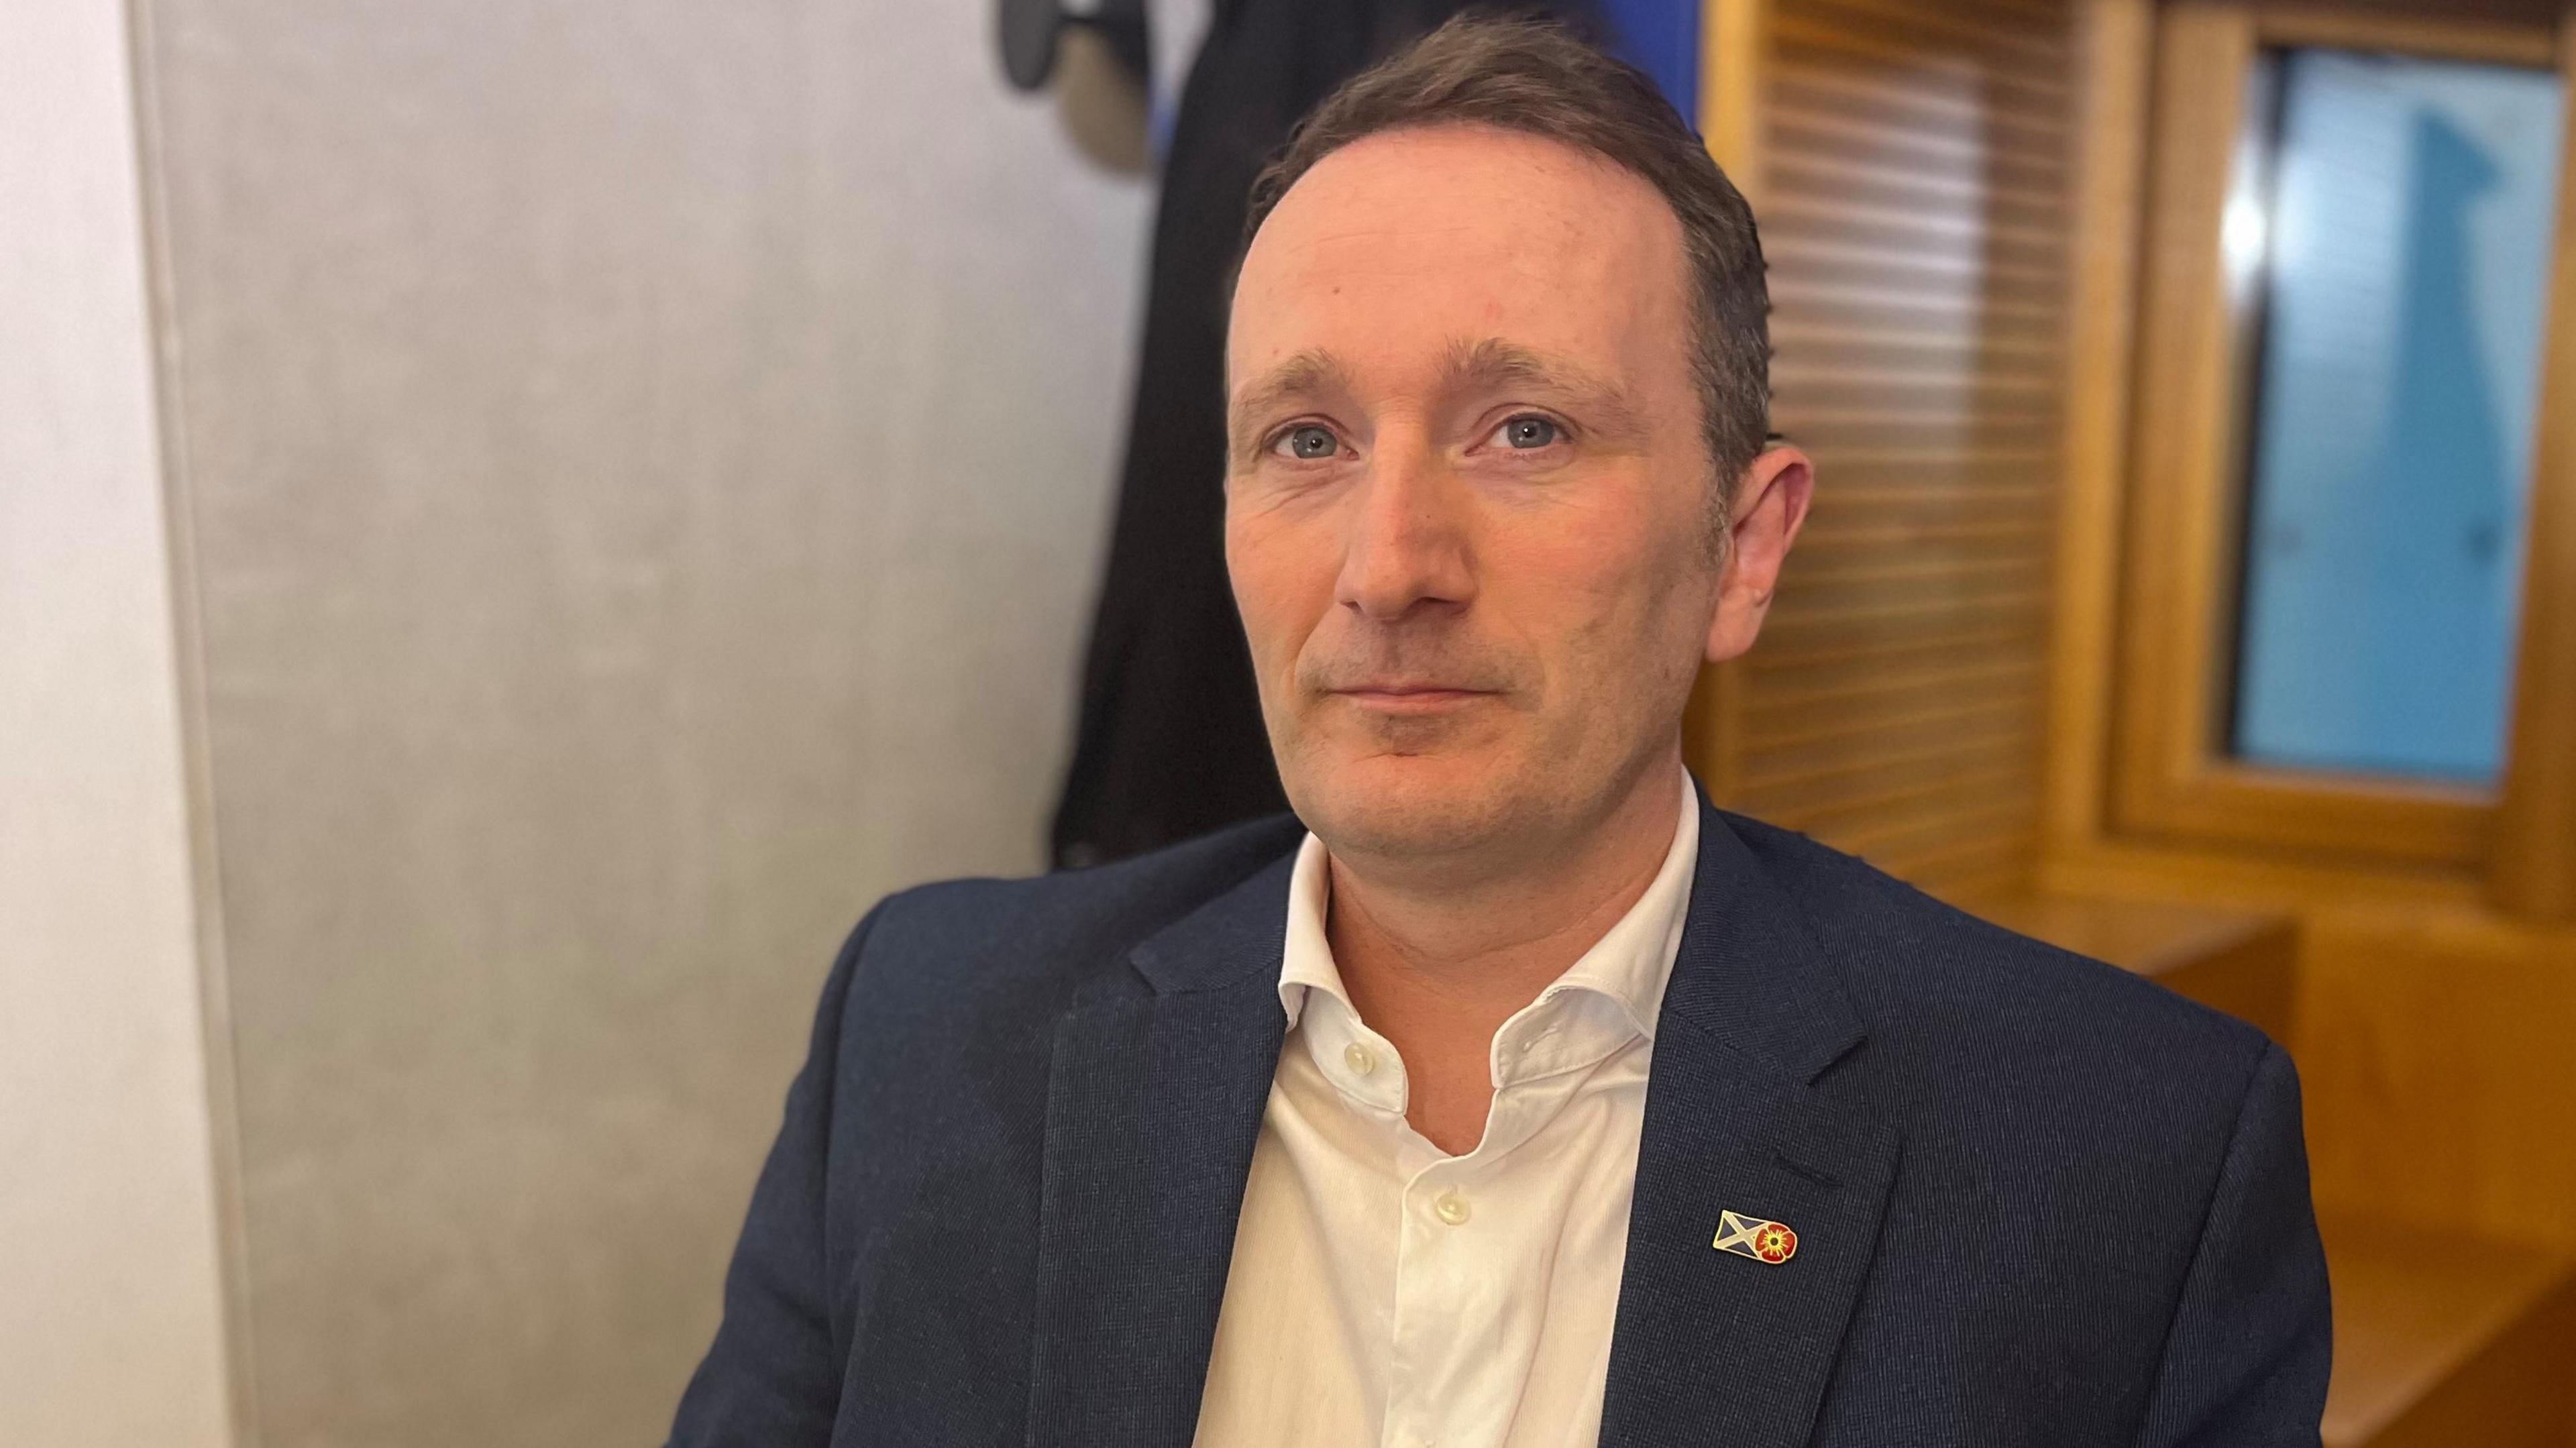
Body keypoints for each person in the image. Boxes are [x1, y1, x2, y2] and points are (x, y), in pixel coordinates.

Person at [667, 17, 2331, 1447]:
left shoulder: (2127, 1163)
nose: (1390, 568)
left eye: (1524, 429)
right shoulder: (932, 1040)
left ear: (1743, 550)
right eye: (1305, 439)